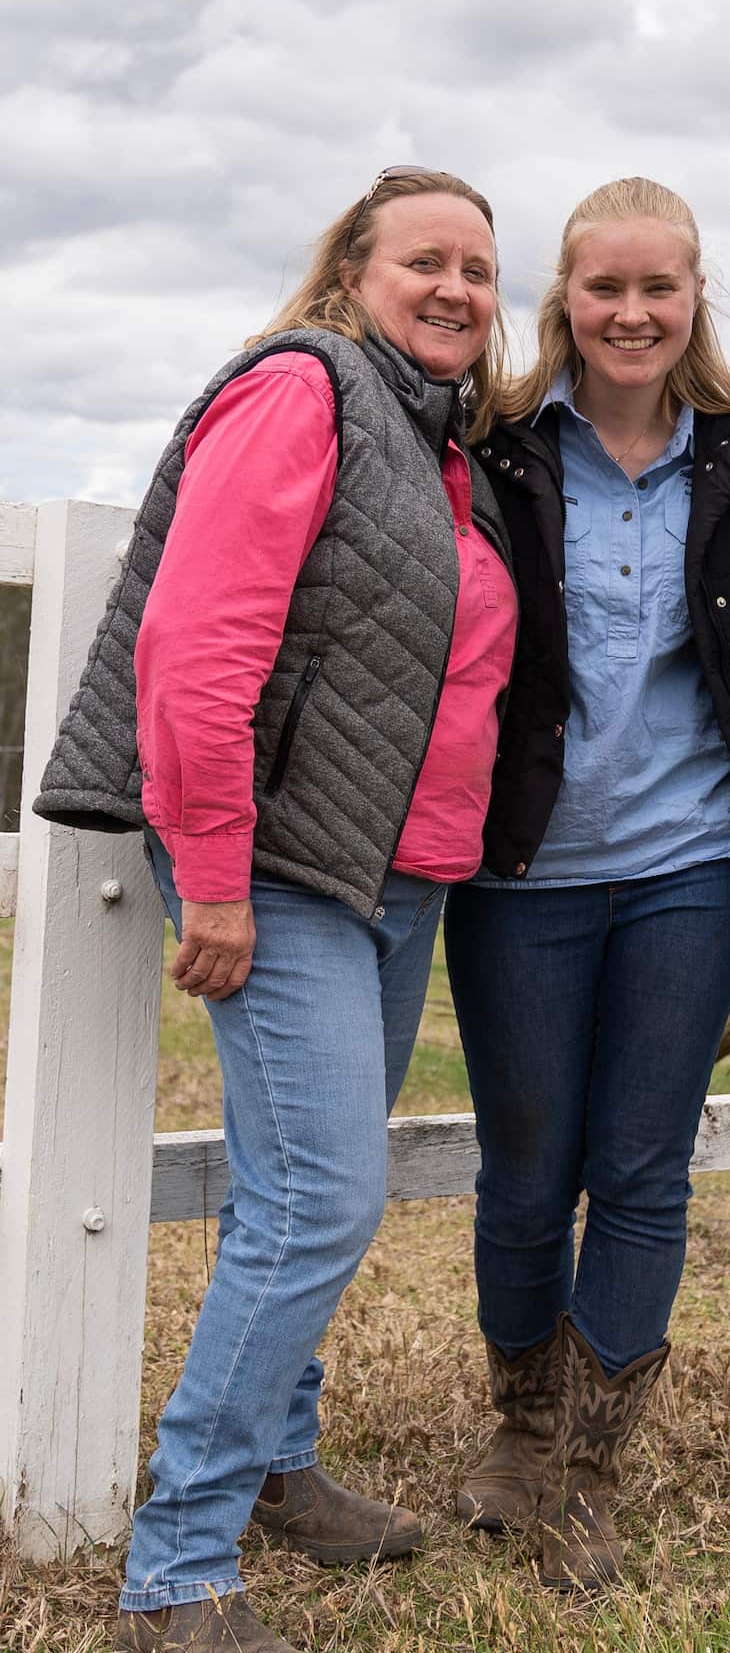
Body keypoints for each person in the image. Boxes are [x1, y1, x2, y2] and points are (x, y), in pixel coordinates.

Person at [34, 168, 519, 1653]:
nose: (454, 288)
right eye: (423, 260)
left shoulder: (446, 448)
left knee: (299, 1188)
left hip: (397, 870)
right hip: (291, 868)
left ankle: (282, 1470)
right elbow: (198, 643)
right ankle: (175, 1567)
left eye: (481, 270)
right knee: (321, 1201)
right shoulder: (301, 393)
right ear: (352, 274)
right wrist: (221, 878)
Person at [443, 176, 730, 1591]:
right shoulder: (495, 446)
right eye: (607, 289)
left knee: (643, 1170)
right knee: (528, 1170)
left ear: (695, 295)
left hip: (694, 865)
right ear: (565, 301)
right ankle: (521, 1429)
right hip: (522, 866)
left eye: (662, 287)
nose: (634, 313)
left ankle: (590, 1467)